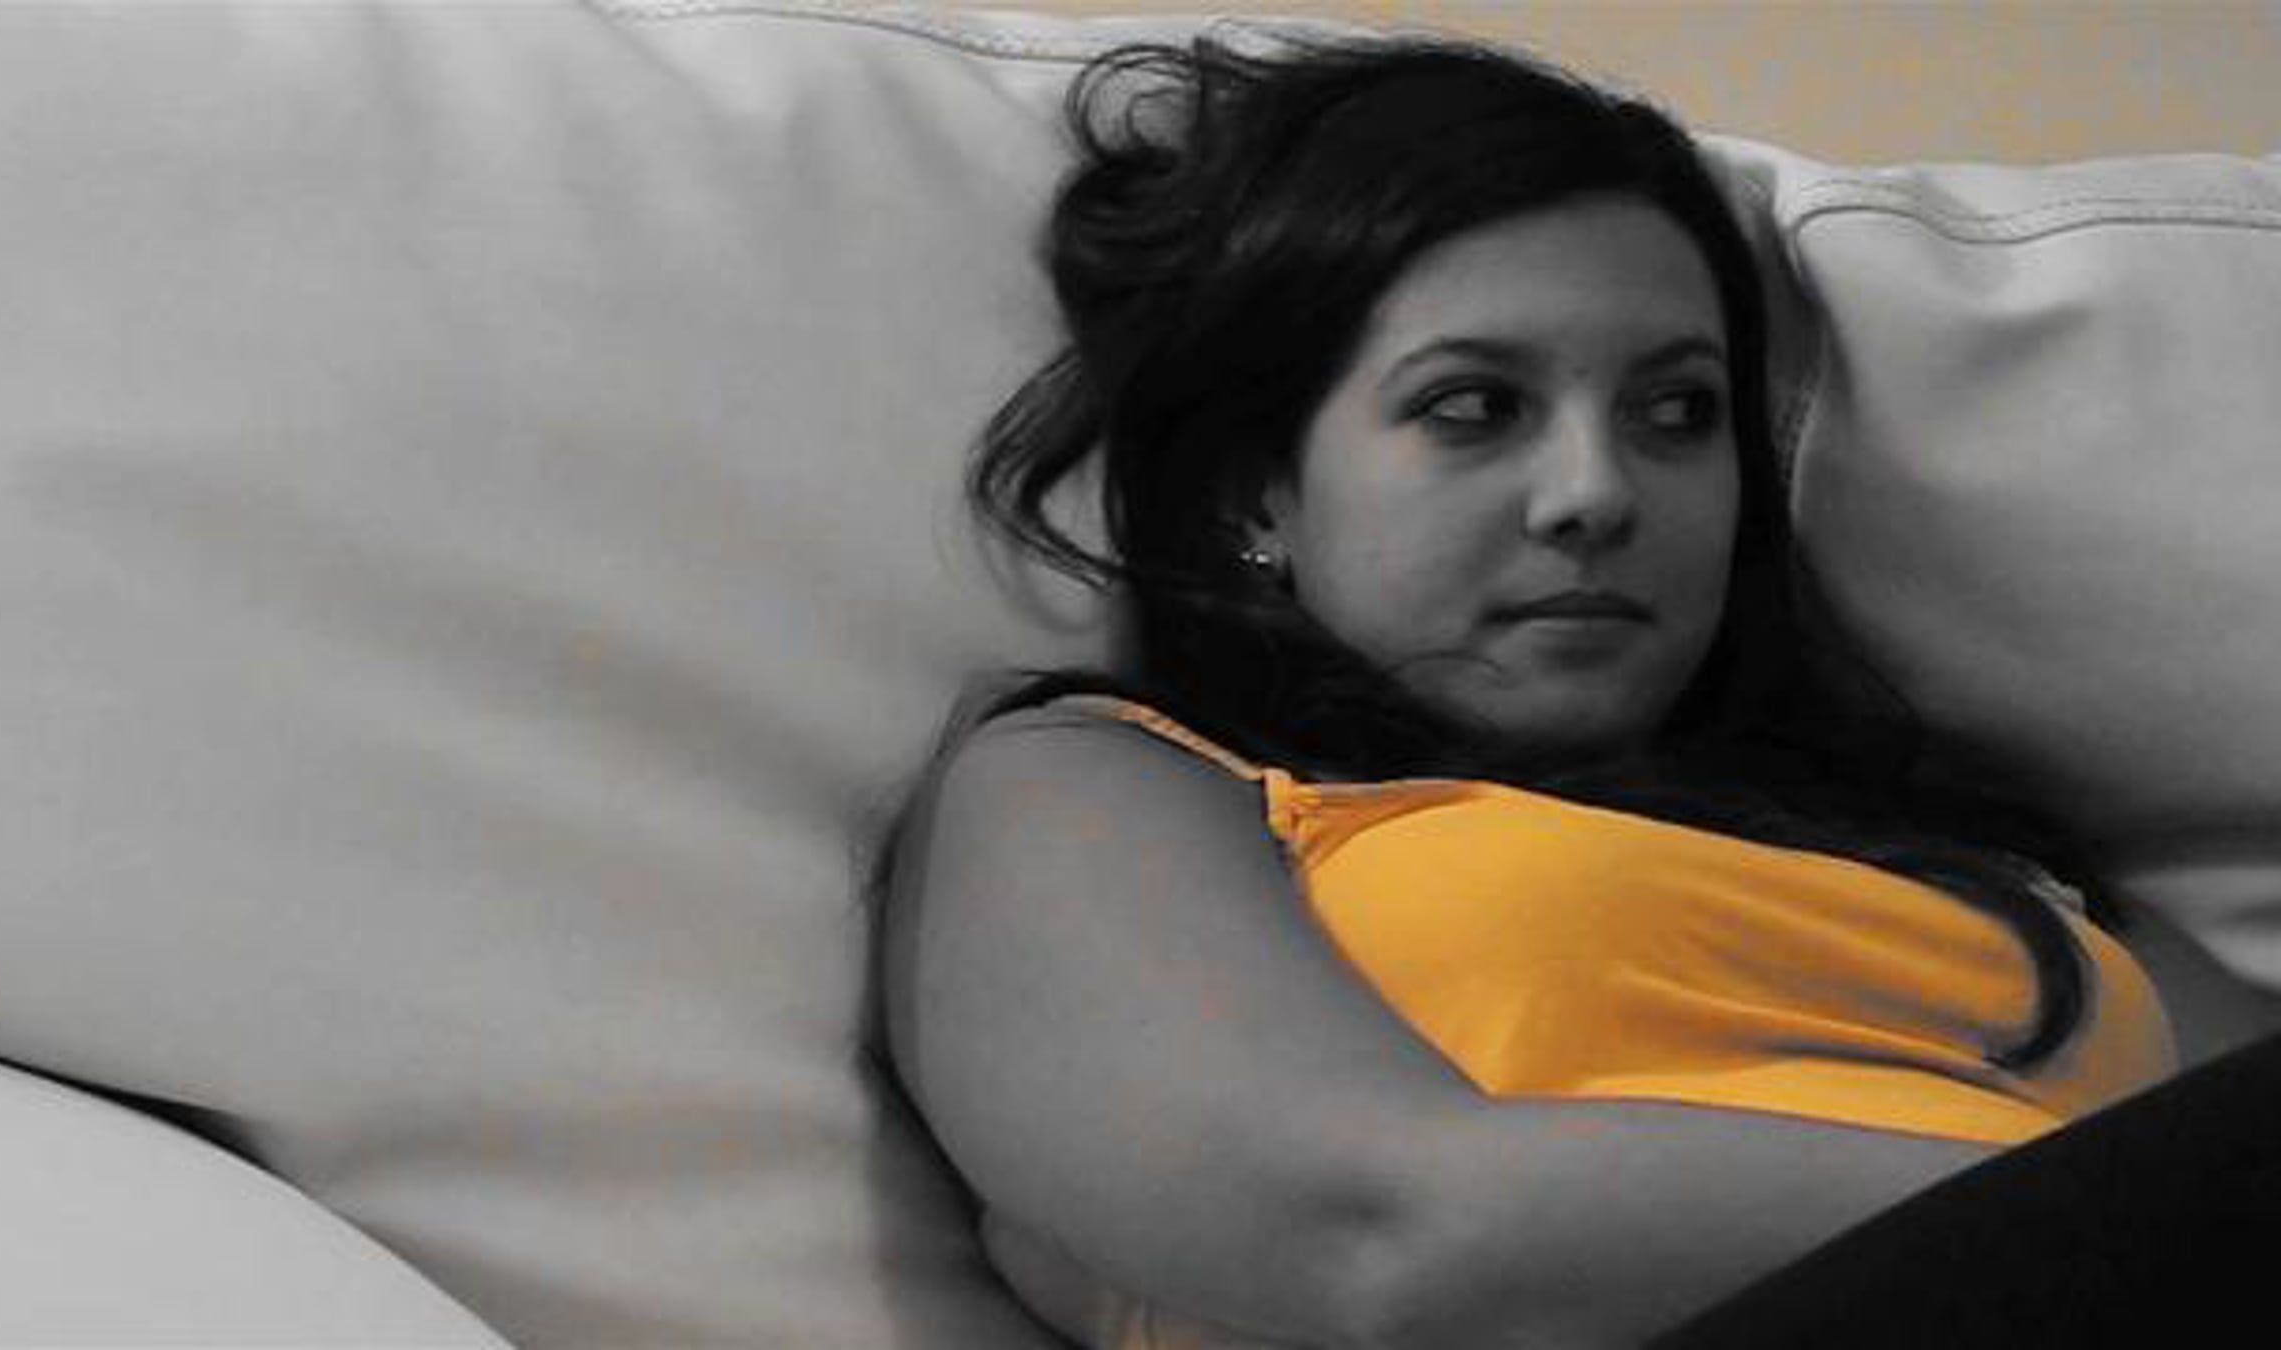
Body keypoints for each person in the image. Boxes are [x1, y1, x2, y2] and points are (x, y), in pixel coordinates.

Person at [866, 29, 2281, 1350]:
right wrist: (2100, 1204)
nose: (1596, 493)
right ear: (1258, 490)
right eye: (1474, 407)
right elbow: (1368, 1229)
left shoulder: (2001, 862)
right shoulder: (1102, 785)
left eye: (1676, 412)